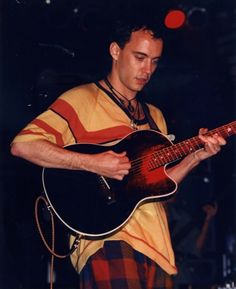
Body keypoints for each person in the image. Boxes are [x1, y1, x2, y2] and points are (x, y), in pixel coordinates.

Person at [10, 17, 226, 289]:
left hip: (157, 246)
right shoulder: (83, 99)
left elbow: (161, 185)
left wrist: (196, 156)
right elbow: (23, 145)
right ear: (115, 51)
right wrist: (93, 163)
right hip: (107, 239)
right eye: (140, 57)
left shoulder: (155, 117)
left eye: (155, 61)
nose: (147, 69)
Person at [168, 199, 218, 288]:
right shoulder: (182, 215)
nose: (206, 211)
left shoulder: (199, 232)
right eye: (207, 208)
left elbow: (196, 249)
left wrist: (208, 219)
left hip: (177, 266)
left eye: (210, 210)